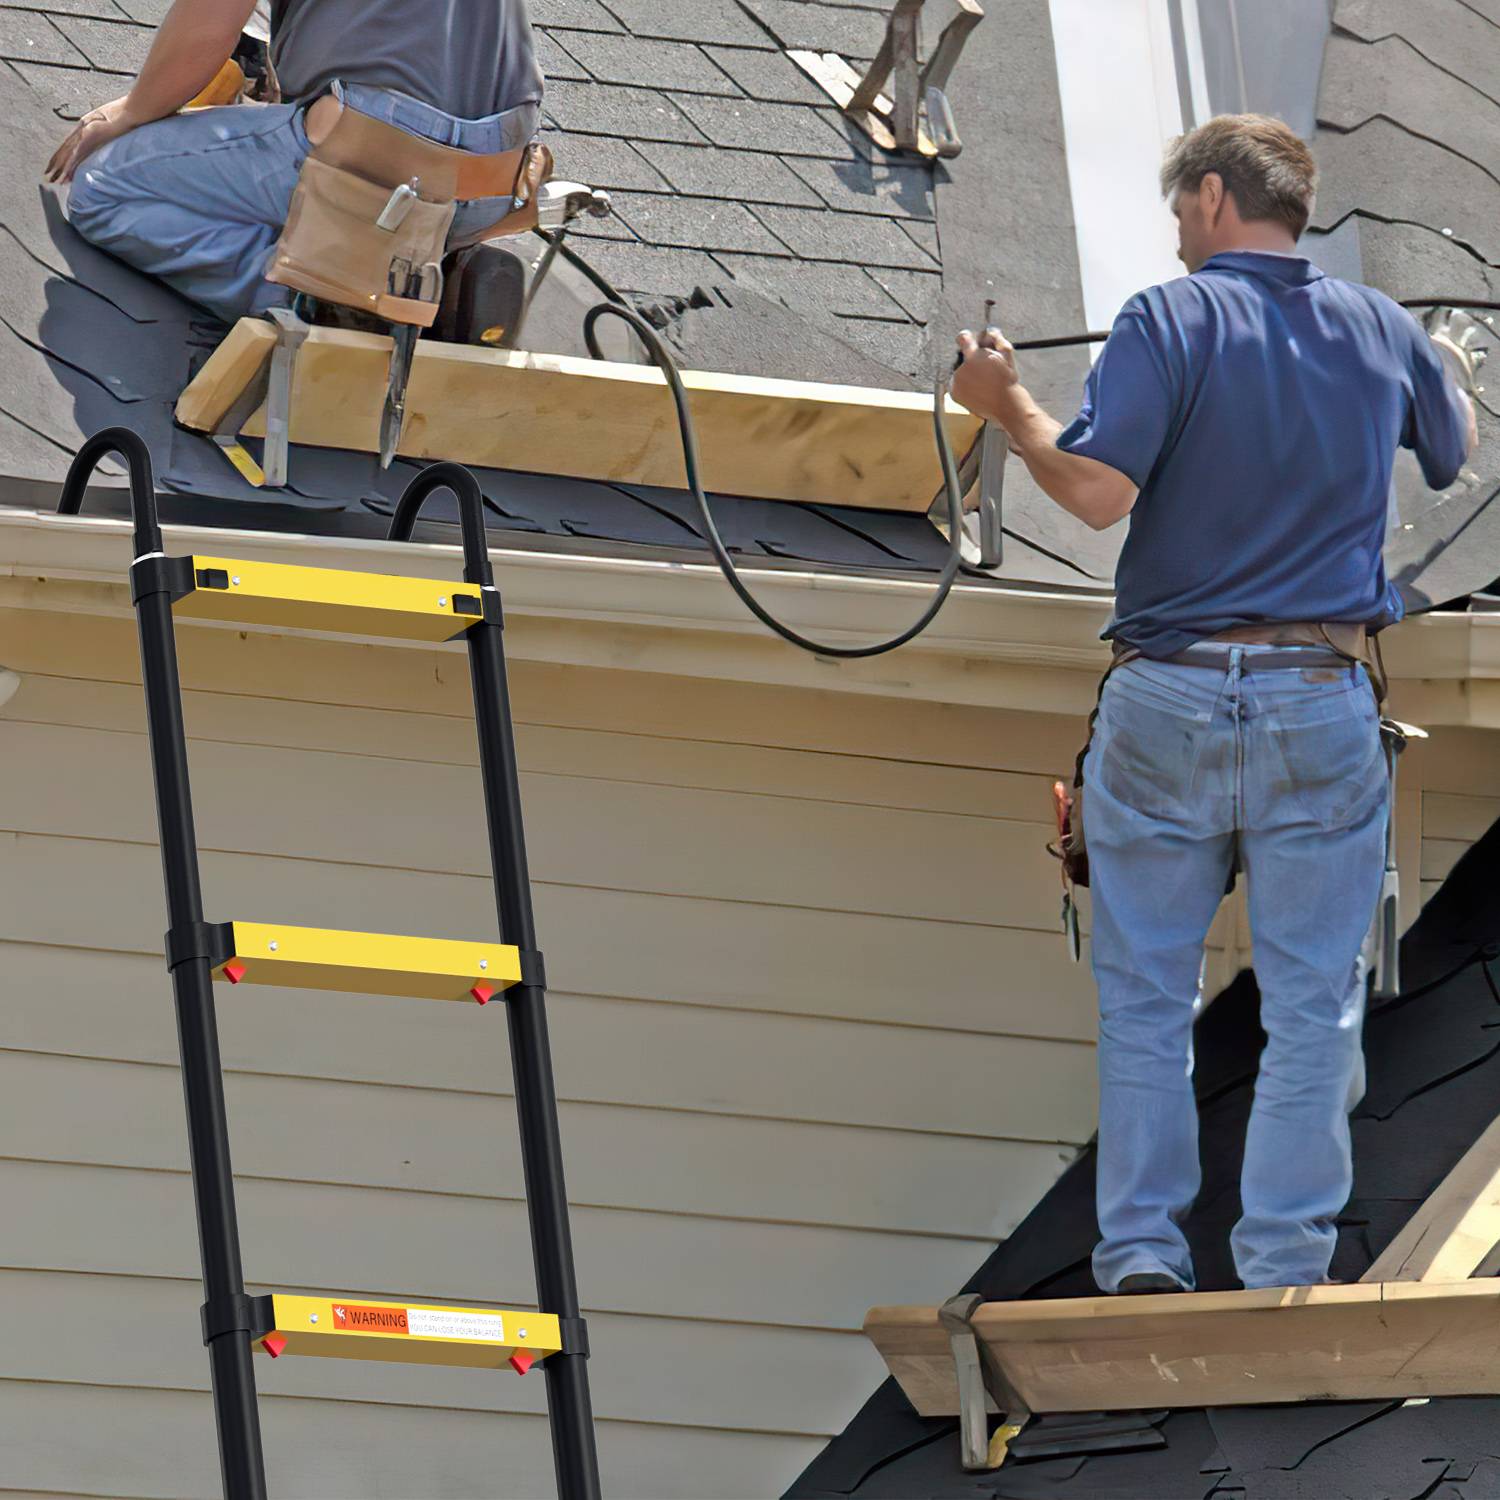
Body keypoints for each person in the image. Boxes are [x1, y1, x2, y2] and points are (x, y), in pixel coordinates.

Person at [951, 114, 1477, 1295]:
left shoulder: (1169, 316)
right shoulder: (1379, 329)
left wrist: (1005, 400)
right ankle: (1284, 1266)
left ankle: (1142, 1257)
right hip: (1318, 697)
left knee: (1146, 1001)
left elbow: (1092, 493)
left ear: (1206, 196)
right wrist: (1443, 368)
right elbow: (1456, 447)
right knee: (1312, 1010)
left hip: (1172, 699)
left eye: (1180, 207)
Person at [45, 0, 543, 325]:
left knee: (104, 185)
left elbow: (208, 22)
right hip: (492, 185)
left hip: (371, 163)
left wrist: (131, 113)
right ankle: (437, 279)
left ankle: (319, 298)